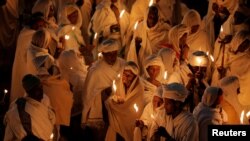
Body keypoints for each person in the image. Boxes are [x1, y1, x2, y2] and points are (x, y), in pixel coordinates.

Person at [81, 38, 125, 141]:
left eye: (114, 53)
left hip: (121, 105)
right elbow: (89, 94)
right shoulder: (96, 70)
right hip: (104, 109)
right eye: (109, 54)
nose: (112, 57)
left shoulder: (123, 64)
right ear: (103, 54)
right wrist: (104, 93)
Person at [4, 74, 56, 141]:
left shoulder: (42, 104)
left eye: (41, 87)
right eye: (38, 88)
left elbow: (51, 119)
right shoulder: (17, 109)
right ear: (29, 91)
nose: (41, 91)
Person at [11, 13, 47, 103]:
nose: (40, 27)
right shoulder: (29, 34)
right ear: (33, 24)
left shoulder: (24, 31)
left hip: (25, 60)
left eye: (42, 25)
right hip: (24, 62)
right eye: (38, 25)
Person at [105, 61, 145, 141]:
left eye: (128, 76)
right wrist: (114, 100)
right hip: (116, 122)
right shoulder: (118, 83)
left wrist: (123, 106)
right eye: (124, 74)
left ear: (135, 77)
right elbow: (109, 101)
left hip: (130, 123)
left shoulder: (139, 88)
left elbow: (133, 112)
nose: (124, 78)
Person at [126, 4, 170, 70]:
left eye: (154, 18)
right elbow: (133, 48)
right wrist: (136, 45)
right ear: (146, 16)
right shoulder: (140, 27)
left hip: (155, 67)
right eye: (150, 17)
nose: (152, 20)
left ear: (158, 18)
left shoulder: (163, 31)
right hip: (141, 63)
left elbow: (165, 51)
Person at [227, 30, 250, 106]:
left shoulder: (247, 59)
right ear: (237, 41)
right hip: (229, 92)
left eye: (247, 44)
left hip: (242, 95)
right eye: (243, 43)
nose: (245, 46)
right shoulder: (229, 53)